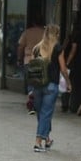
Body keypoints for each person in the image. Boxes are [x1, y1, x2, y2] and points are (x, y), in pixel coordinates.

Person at [30, 24, 70, 152]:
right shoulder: (58, 48)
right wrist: (68, 82)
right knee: (46, 113)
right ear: (56, 34)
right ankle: (38, 142)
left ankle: (46, 138)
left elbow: (32, 67)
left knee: (41, 113)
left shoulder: (36, 48)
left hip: (37, 84)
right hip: (51, 85)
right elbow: (63, 69)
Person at [17, 17, 45, 114]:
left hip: (28, 60)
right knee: (39, 83)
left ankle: (31, 102)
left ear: (33, 22)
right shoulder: (45, 33)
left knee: (30, 83)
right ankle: (38, 103)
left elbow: (21, 46)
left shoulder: (27, 32)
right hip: (42, 60)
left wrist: (19, 58)